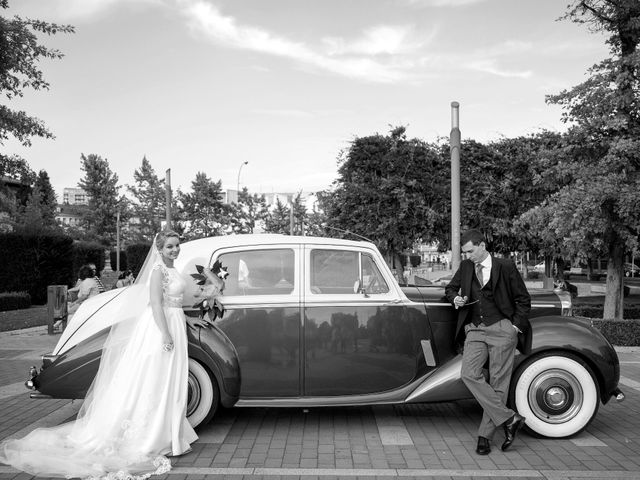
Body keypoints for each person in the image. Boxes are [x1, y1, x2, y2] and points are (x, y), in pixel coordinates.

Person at [0, 230, 206, 479]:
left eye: (176, 246)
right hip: (160, 328)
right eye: (170, 246)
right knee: (155, 379)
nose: (175, 250)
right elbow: (154, 304)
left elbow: (182, 298)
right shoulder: (157, 271)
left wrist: (209, 290)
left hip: (175, 322)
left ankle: (169, 431)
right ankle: (150, 435)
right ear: (160, 250)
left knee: (170, 379)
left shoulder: (174, 271)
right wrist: (165, 334)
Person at [445, 229, 531, 455]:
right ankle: (510, 418)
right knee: (469, 374)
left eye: (470, 251)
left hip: (502, 328)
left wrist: (514, 327)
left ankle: (485, 436)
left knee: (498, 383)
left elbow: (523, 299)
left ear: (482, 245)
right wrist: (456, 298)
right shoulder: (465, 267)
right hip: (475, 329)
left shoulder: (506, 266)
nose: (468, 256)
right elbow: (451, 288)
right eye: (464, 253)